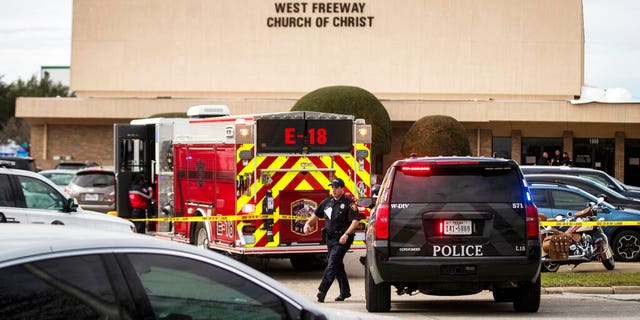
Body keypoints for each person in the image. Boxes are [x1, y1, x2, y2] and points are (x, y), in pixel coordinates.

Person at [303, 177, 360, 303]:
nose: (333, 190)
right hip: (330, 240)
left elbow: (355, 221)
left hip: (342, 240)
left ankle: (322, 290)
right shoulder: (327, 202)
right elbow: (316, 215)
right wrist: (307, 224)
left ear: (342, 189)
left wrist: (346, 234)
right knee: (337, 264)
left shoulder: (349, 203)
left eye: (336, 187)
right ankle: (345, 291)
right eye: (332, 187)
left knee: (332, 262)